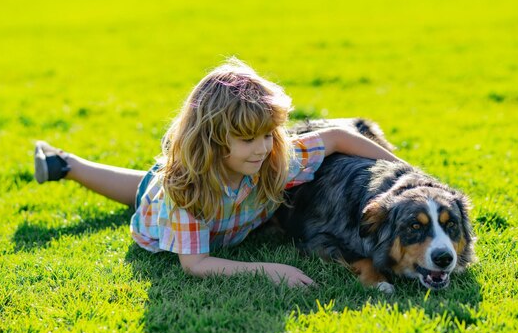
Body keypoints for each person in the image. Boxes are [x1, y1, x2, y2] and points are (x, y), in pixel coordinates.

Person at [34, 58, 404, 287]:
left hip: (224, 208)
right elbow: (195, 263)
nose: (261, 147)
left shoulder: (270, 156)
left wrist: (404, 173)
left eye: (266, 134)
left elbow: (339, 137)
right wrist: (272, 271)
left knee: (143, 185)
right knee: (143, 192)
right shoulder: (187, 192)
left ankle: (64, 164)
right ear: (212, 139)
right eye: (247, 139)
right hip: (162, 204)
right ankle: (68, 165)